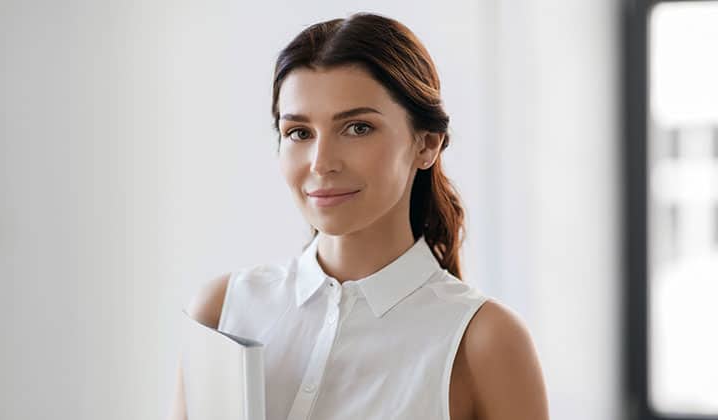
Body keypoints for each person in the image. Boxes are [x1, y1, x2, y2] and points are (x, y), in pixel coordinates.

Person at [169, 12, 549, 420]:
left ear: (427, 144)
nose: (321, 162)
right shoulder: (222, 312)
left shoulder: (485, 342)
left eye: (357, 128)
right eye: (299, 132)